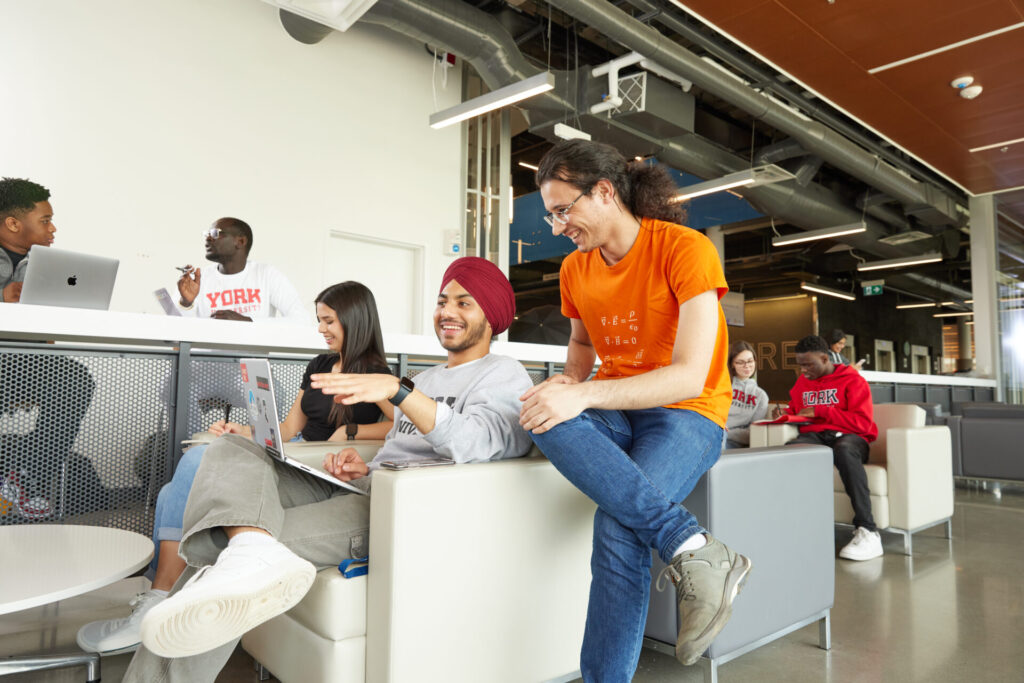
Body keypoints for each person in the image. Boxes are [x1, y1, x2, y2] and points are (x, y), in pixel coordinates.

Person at [120, 257, 533, 681]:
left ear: (492, 314)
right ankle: (250, 548)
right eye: (443, 300)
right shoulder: (427, 378)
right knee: (231, 447)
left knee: (229, 557)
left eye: (464, 303)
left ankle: (238, 561)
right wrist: (362, 467)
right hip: (364, 489)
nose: (447, 311)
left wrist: (398, 390)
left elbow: (478, 444)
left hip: (402, 512)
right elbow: (399, 448)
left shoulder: (504, 375)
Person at [518, 139, 751, 681]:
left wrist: (584, 394)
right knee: (539, 411)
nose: (556, 227)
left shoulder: (685, 249)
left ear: (602, 192)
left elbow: (690, 374)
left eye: (561, 210)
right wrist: (570, 383)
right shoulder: (575, 269)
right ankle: (691, 544)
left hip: (688, 412)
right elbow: (580, 345)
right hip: (619, 405)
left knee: (618, 529)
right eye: (550, 215)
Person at [76, 281, 395, 654]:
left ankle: (161, 596)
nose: (321, 329)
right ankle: (160, 597)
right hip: (297, 456)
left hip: (322, 471)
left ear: (355, 321)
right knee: (180, 481)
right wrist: (241, 430)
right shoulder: (320, 364)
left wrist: (351, 429)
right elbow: (290, 430)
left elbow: (402, 427)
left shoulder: (377, 373)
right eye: (319, 320)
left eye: (328, 321)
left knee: (198, 460)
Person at [0, 177, 95, 519]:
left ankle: (26, 478)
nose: (53, 228)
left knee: (75, 379)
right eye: (45, 220)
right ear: (13, 223)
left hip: (26, 362)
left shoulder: (47, 264)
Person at [774, 335, 881, 561]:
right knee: (791, 451)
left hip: (852, 439)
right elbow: (797, 411)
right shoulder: (803, 383)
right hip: (817, 436)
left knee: (843, 449)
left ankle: (868, 530)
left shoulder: (853, 381)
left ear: (825, 358)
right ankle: (794, 524)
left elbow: (863, 424)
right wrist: (784, 415)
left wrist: (822, 411)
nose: (804, 370)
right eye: (801, 365)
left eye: (809, 364)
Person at [175, 217, 306, 322]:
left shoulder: (267, 274)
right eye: (207, 234)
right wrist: (186, 303)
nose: (208, 239)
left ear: (241, 242)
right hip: (203, 355)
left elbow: (301, 320)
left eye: (215, 234)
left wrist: (248, 321)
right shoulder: (196, 279)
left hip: (252, 356)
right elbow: (174, 331)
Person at [724, 341, 769, 449]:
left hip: (733, 441)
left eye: (750, 361)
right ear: (732, 364)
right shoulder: (722, 387)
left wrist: (725, 433)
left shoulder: (761, 396)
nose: (747, 366)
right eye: (740, 362)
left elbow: (753, 432)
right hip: (712, 434)